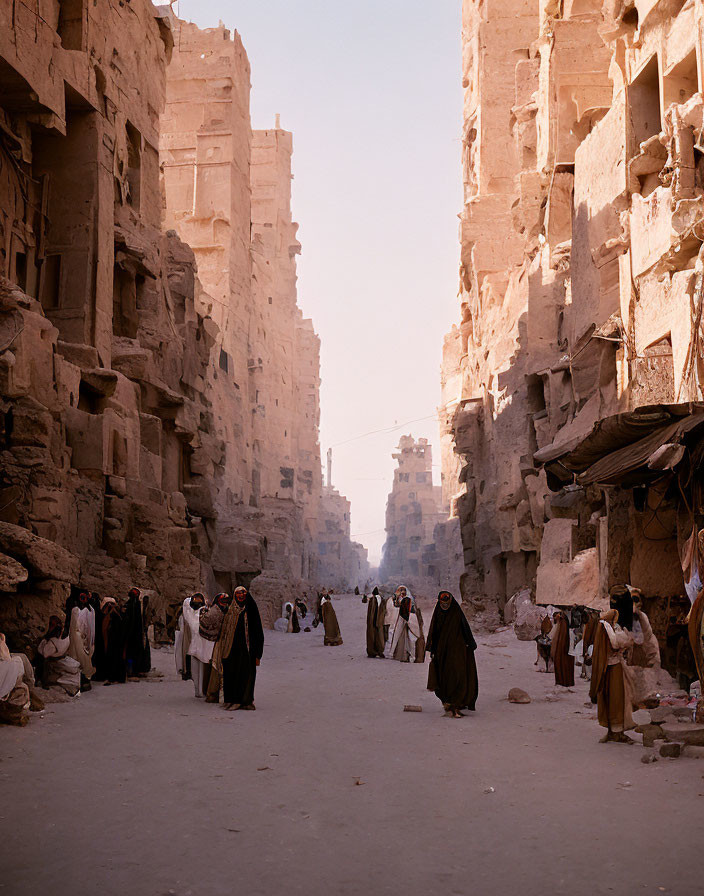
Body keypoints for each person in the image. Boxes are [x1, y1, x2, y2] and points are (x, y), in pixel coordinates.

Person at [426, 591, 478, 718]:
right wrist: (432, 650)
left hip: (457, 651)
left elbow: (465, 628)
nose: (445, 606)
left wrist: (470, 645)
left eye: (446, 603)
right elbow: (434, 631)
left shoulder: (456, 612)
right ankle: (448, 702)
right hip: (441, 652)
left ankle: (456, 703)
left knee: (457, 674)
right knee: (443, 677)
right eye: (442, 603)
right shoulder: (438, 613)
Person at [214, 587, 264, 711]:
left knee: (247, 675)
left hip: (247, 651)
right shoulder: (231, 610)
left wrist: (258, 653)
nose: (241, 596)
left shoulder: (250, 610)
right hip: (231, 649)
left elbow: (258, 631)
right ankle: (231, 699)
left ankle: (245, 701)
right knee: (231, 673)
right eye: (238, 593)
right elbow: (225, 630)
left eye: (243, 593)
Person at [590, 607, 635, 743]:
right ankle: (615, 732)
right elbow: (615, 644)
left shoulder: (602, 626)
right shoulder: (605, 626)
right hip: (612, 667)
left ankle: (613, 731)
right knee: (615, 699)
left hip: (606, 667)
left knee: (610, 698)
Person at [624, 589, 661, 708]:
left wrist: (653, 657)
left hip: (642, 652)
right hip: (631, 653)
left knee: (644, 678)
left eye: (636, 600)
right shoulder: (624, 617)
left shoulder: (642, 617)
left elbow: (649, 636)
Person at [36, 616, 81, 696]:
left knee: (41, 661)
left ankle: (44, 682)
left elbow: (44, 653)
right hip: (61, 656)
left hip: (53, 660)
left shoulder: (53, 642)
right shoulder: (65, 635)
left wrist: (43, 641)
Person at [201, 593, 231, 702]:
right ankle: (209, 692)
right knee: (212, 666)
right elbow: (204, 623)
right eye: (223, 600)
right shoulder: (214, 611)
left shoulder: (228, 611)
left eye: (226, 600)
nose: (225, 602)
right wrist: (214, 632)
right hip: (212, 642)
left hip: (223, 643)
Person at [179, 592, 209, 698]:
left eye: (199, 600)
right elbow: (186, 605)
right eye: (195, 600)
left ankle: (202, 690)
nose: (197, 602)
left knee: (203, 670)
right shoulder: (188, 612)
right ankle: (197, 690)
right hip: (193, 646)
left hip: (204, 645)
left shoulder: (206, 612)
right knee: (195, 669)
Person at [63, 589, 95, 691]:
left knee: (85, 660)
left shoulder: (90, 610)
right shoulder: (75, 610)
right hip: (74, 638)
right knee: (75, 658)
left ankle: (85, 680)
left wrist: (89, 641)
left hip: (84, 639)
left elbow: (91, 628)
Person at [93, 597, 127, 685]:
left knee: (114, 658)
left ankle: (114, 677)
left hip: (114, 642)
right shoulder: (115, 615)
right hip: (116, 642)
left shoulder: (113, 615)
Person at [390, 585, 424, 663]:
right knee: (405, 639)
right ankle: (407, 656)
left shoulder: (409, 599)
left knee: (412, 639)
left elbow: (410, 610)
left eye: (403, 590)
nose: (402, 592)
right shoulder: (403, 599)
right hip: (405, 620)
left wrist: (407, 619)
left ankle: (413, 656)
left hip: (411, 620)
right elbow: (397, 605)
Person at [124, 587, 151, 677]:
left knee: (135, 653)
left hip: (137, 633)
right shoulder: (131, 605)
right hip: (133, 634)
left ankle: (135, 669)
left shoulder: (137, 605)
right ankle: (132, 669)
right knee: (132, 653)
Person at [550, 610, 574, 687]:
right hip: (562, 646)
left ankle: (562, 681)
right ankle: (562, 681)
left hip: (563, 647)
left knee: (562, 662)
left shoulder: (563, 621)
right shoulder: (562, 620)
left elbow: (562, 637)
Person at [366, 586, 386, 658]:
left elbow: (370, 613)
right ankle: (379, 651)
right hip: (379, 621)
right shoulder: (382, 600)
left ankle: (372, 651)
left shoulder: (373, 600)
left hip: (373, 621)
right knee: (379, 637)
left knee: (373, 636)